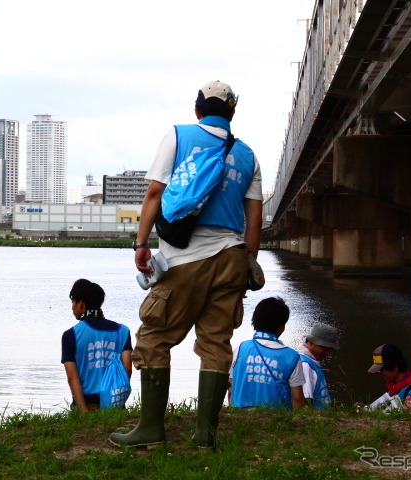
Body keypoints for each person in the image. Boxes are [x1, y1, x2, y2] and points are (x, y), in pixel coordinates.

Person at [109, 80, 263, 449]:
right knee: (215, 342)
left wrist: (141, 243)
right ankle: (205, 437)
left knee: (155, 337)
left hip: (185, 258)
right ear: (232, 114)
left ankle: (150, 430)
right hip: (232, 257)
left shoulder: (178, 136)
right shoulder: (247, 155)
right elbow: (254, 218)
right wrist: (250, 262)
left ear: (197, 110)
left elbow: (154, 193)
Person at [61, 279, 133, 412]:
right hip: (115, 402)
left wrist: (83, 410)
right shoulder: (123, 331)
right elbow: (127, 369)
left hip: (87, 401)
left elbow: (72, 377)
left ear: (81, 304)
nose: (72, 307)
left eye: (73, 302)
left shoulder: (70, 335)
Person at [230, 297, 305, 410]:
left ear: (254, 321)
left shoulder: (238, 348)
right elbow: (298, 400)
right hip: (275, 421)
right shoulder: (292, 356)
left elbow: (230, 388)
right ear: (281, 327)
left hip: (240, 418)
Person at [360, 344, 411, 412]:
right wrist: (366, 409)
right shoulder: (393, 389)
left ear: (395, 367)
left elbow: (409, 415)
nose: (380, 373)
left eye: (382, 369)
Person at [296, 324, 339, 410]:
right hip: (318, 420)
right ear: (311, 342)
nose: (327, 353)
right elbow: (304, 405)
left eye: (330, 349)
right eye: (324, 348)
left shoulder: (312, 361)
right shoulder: (305, 365)